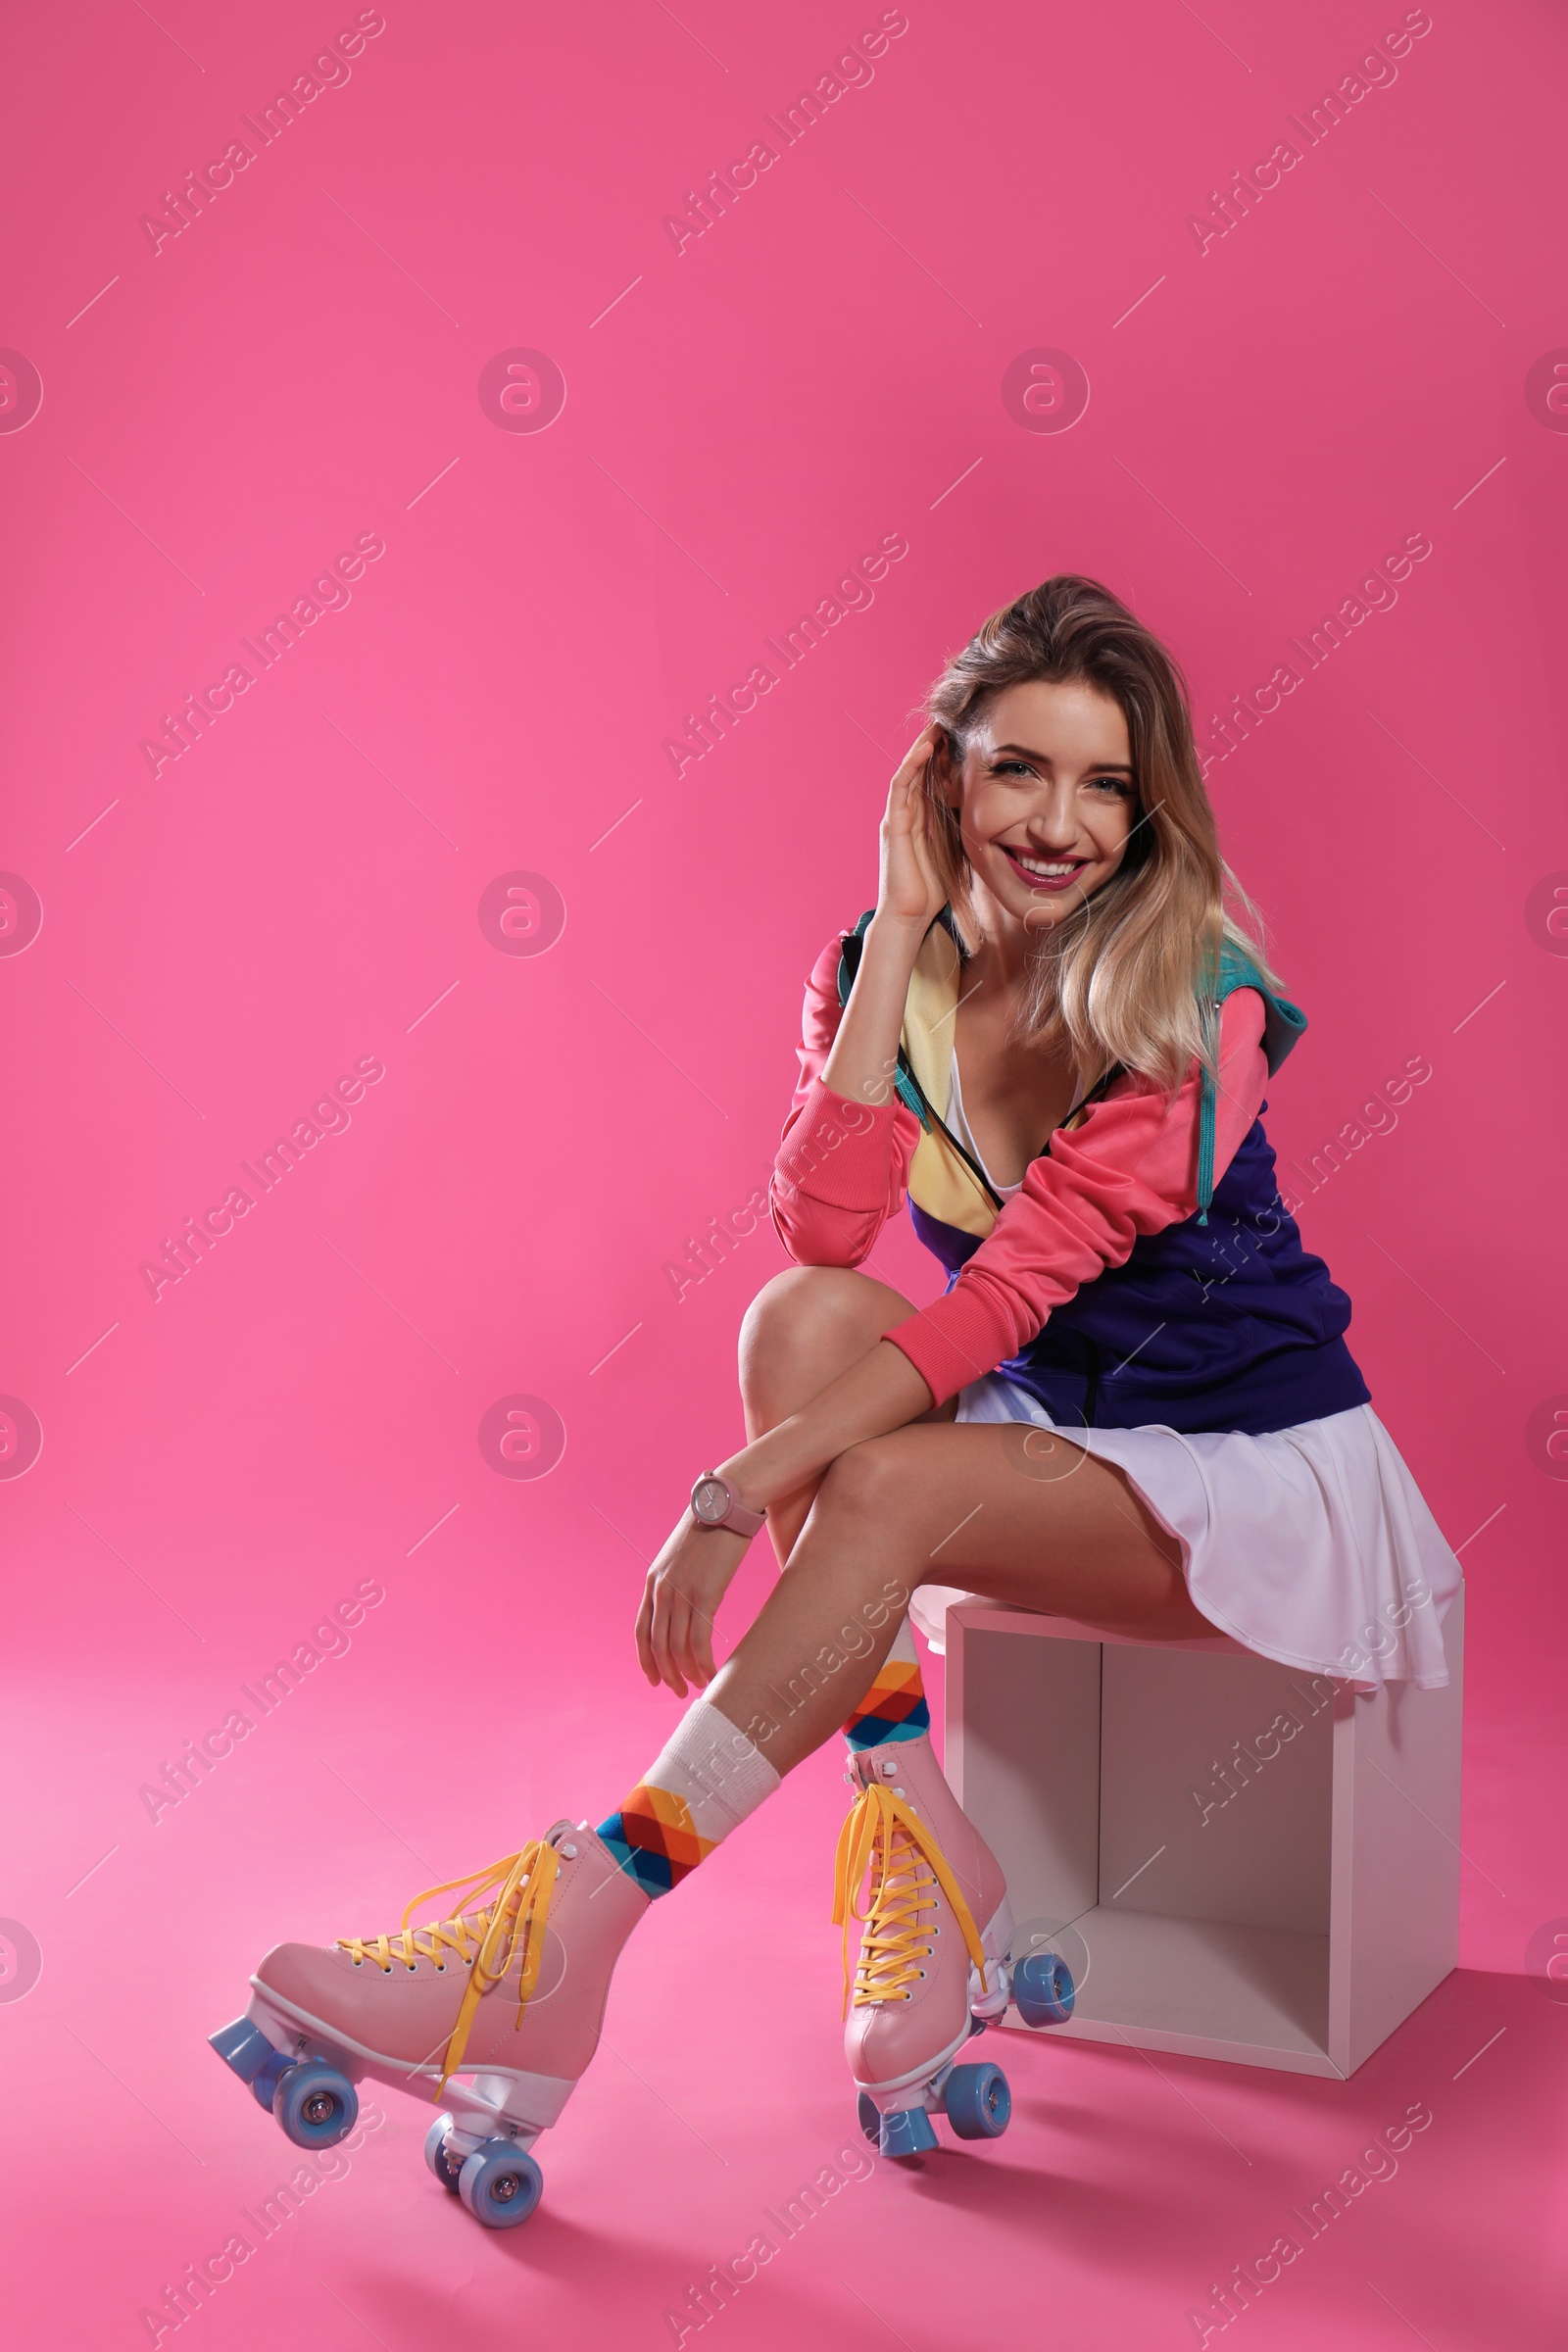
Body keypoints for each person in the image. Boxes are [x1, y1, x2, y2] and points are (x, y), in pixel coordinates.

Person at [214, 575, 1461, 2215]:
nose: (1061, 823)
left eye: (1105, 785)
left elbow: (1002, 1297)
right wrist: (892, 931)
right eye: (1018, 769)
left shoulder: (1198, 999)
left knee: (868, 1476)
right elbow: (826, 1231)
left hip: (1253, 1470)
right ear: (946, 776)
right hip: (1056, 1424)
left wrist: (731, 1499)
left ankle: (566, 1940)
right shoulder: (888, 960)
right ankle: (927, 1848)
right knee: (796, 1321)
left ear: (1149, 812)